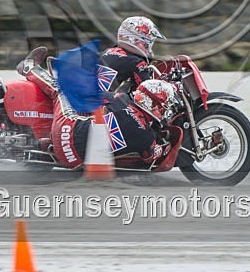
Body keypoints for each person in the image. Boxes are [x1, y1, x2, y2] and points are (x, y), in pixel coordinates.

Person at [30, 66, 180, 168]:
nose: (165, 108)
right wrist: (167, 142)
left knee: (63, 91)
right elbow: (152, 156)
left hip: (65, 132)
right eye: (165, 104)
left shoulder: (121, 99)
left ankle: (30, 69)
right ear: (153, 103)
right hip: (75, 161)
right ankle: (45, 145)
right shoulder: (146, 137)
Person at [99, 16, 166, 93]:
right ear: (138, 41)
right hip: (107, 103)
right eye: (147, 45)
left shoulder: (106, 52)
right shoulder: (136, 63)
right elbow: (148, 92)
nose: (148, 49)